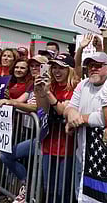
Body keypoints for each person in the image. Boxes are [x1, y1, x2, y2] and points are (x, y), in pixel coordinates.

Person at [0, 55, 48, 203]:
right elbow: (19, 100)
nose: (34, 68)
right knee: (6, 156)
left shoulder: (47, 84)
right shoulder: (31, 85)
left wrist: (12, 103)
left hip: (46, 137)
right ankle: (27, 187)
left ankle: (30, 193)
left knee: (47, 179)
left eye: (38, 65)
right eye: (32, 65)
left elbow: (37, 107)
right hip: (32, 133)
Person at [63, 52, 107, 200]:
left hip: (105, 158)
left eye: (98, 65)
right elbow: (70, 108)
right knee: (80, 194)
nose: (93, 69)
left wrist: (79, 119)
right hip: (82, 154)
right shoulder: (83, 84)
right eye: (90, 66)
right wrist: (71, 115)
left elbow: (105, 118)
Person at [35, 53, 80, 203]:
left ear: (70, 70)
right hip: (49, 143)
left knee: (63, 191)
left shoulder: (76, 87)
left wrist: (48, 93)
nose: (56, 71)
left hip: (67, 147)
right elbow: (43, 110)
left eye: (61, 67)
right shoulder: (51, 85)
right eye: (54, 67)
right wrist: (39, 91)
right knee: (49, 188)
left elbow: (63, 111)